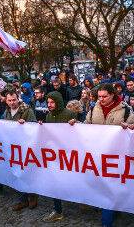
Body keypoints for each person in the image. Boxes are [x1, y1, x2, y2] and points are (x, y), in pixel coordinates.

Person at [69, 83, 134, 227]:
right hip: (98, 156)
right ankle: (112, 210)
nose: (101, 99)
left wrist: (131, 127)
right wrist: (76, 124)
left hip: (116, 157)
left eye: (104, 96)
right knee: (103, 187)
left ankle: (107, 221)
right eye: (99, 96)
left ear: (113, 95)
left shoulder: (125, 109)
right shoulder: (94, 108)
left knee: (110, 189)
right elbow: (86, 125)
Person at [0, 90, 38, 211]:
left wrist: (25, 124)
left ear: (18, 99)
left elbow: (34, 126)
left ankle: (32, 196)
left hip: (25, 147)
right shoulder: (6, 111)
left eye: (14, 100)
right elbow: (3, 124)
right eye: (9, 100)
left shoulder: (27, 110)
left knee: (27, 172)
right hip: (13, 147)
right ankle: (22, 199)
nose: (11, 103)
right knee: (16, 172)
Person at [42, 91, 76, 223]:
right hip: (55, 156)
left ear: (58, 102)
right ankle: (58, 210)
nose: (49, 105)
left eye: (52, 102)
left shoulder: (69, 114)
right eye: (48, 102)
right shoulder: (48, 116)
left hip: (69, 155)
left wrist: (76, 122)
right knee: (54, 181)